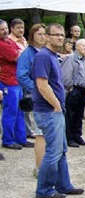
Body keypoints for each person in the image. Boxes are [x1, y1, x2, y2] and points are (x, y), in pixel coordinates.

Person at [33, 23, 84, 198]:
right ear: (47, 36)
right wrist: (55, 104)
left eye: (62, 35)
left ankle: (64, 184)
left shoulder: (53, 56)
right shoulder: (43, 56)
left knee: (61, 150)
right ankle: (44, 189)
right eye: (56, 35)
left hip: (55, 110)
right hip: (48, 111)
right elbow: (42, 84)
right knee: (53, 152)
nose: (60, 38)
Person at [17, 23, 47, 177]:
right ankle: (39, 167)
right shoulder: (27, 54)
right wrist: (36, 89)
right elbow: (21, 75)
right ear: (32, 36)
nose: (42, 37)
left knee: (50, 133)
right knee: (40, 133)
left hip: (49, 97)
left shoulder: (47, 52)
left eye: (44, 34)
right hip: (36, 98)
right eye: (39, 34)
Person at [0, 19, 29, 150]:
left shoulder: (8, 41)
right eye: (2, 29)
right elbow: (18, 57)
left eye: (5, 28)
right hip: (8, 81)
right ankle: (8, 140)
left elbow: (22, 54)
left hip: (16, 80)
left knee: (19, 111)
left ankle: (21, 138)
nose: (5, 31)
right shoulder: (2, 44)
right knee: (10, 112)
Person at [61, 39, 85, 147]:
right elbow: (66, 75)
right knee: (70, 115)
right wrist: (70, 88)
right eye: (84, 46)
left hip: (83, 90)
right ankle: (69, 138)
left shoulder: (84, 60)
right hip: (74, 89)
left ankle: (77, 136)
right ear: (77, 46)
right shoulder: (70, 59)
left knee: (79, 114)